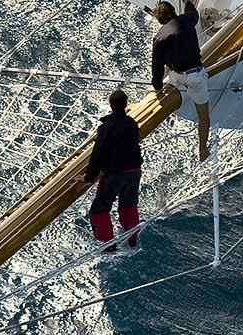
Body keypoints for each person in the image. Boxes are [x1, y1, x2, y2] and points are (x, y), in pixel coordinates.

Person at [147, 1, 210, 163]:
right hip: (195, 75)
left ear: (159, 20)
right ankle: (202, 149)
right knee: (203, 116)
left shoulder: (159, 37)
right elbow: (193, 12)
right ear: (174, 11)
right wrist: (188, 2)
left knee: (167, 67)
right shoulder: (187, 20)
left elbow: (157, 68)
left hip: (176, 76)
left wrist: (158, 89)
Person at [82, 89, 143, 253]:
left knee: (100, 208)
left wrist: (89, 177)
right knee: (129, 204)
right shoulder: (132, 123)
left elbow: (98, 154)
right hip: (135, 170)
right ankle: (133, 239)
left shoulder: (106, 127)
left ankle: (108, 244)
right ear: (125, 105)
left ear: (110, 105)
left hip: (115, 173)